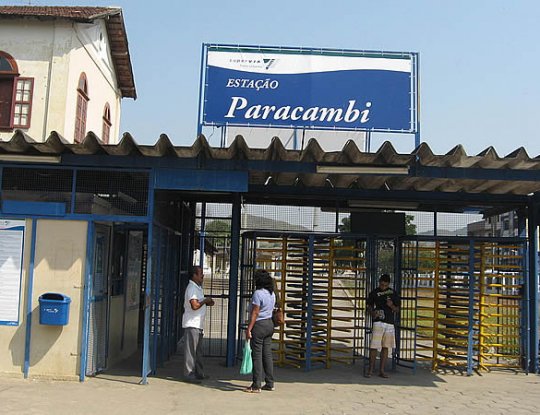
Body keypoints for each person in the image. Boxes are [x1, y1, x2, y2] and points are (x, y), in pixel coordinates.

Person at [244, 269, 276, 393]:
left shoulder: (258, 294)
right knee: (267, 354)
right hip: (269, 324)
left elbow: (255, 312)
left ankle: (256, 385)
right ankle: (270, 383)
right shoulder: (271, 294)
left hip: (259, 325)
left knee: (256, 355)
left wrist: (249, 329)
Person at [182, 265, 215, 383]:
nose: (203, 275)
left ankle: (199, 373)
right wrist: (205, 301)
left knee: (197, 351)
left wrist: (207, 301)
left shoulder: (197, 288)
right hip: (192, 324)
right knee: (191, 351)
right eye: (200, 273)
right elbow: (195, 305)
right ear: (194, 275)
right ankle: (189, 374)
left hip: (197, 324)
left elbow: (199, 303)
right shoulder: (192, 288)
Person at [366, 273, 400, 378]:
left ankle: (382, 370)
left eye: (385, 285)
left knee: (386, 347)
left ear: (389, 284)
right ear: (379, 282)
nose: (383, 287)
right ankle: (370, 370)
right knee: (374, 346)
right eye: (381, 285)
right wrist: (372, 313)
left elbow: (397, 309)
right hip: (378, 322)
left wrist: (392, 305)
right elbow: (368, 306)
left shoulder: (393, 293)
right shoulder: (374, 293)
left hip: (389, 323)